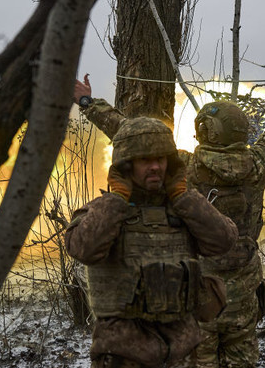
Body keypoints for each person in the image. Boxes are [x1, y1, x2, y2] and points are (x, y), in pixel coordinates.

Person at [73, 75, 265, 367]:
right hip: (244, 295)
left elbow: (130, 134)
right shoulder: (260, 164)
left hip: (201, 294)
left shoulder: (185, 168)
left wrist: (87, 103)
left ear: (205, 131)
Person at [65, 116, 238, 368]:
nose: (155, 167)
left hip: (182, 354)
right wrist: (117, 200)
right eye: (145, 160)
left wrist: (183, 197)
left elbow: (223, 241)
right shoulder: (105, 211)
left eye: (161, 159)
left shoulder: (185, 209)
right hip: (123, 356)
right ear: (126, 165)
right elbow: (83, 248)